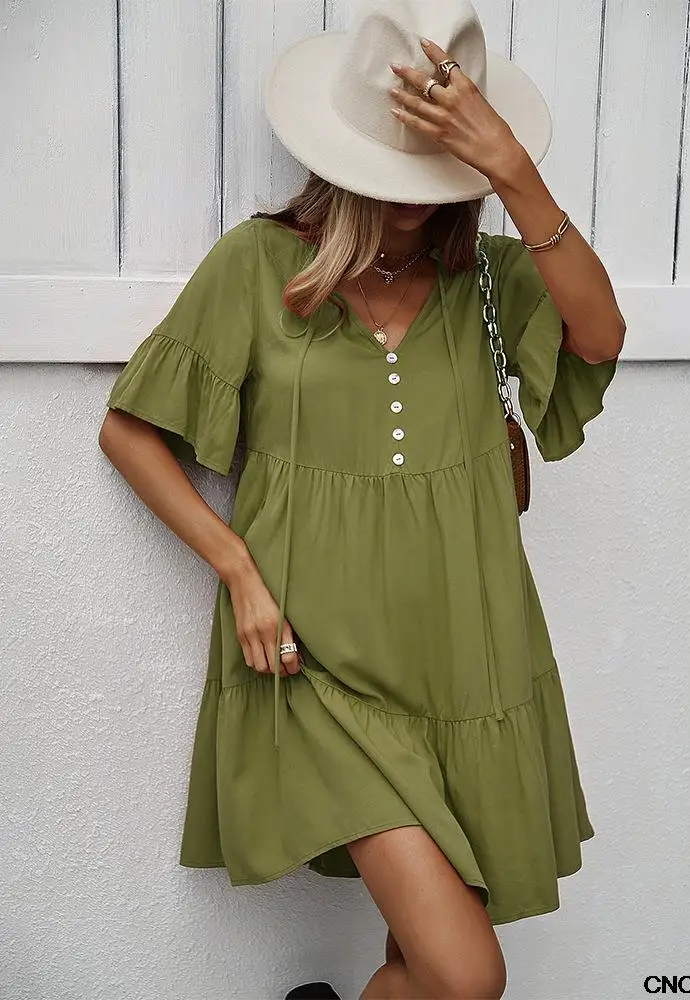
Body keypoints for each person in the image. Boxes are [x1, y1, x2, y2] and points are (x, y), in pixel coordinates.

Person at [99, 3, 626, 998]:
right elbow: (130, 432)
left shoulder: (487, 278)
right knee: (467, 978)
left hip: (462, 664)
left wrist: (512, 169)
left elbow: (599, 337)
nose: (413, 201)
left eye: (437, 172)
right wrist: (237, 569)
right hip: (316, 669)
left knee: (420, 965)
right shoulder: (260, 266)